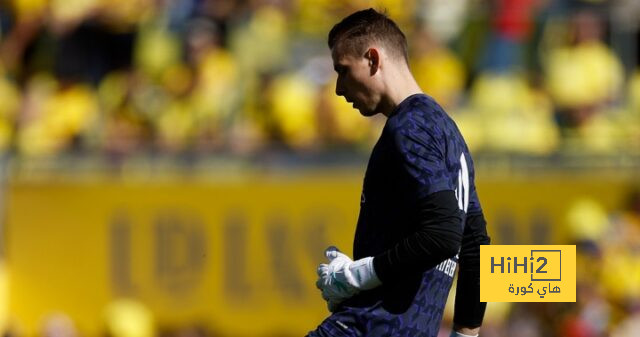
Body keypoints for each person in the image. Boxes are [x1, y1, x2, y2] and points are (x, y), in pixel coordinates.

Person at [309, 9, 491, 337]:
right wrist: (465, 334)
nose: (338, 88)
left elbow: (443, 235)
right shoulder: (451, 135)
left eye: (343, 70)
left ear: (373, 59)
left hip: (368, 327)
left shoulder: (410, 127)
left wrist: (358, 275)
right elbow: (477, 249)